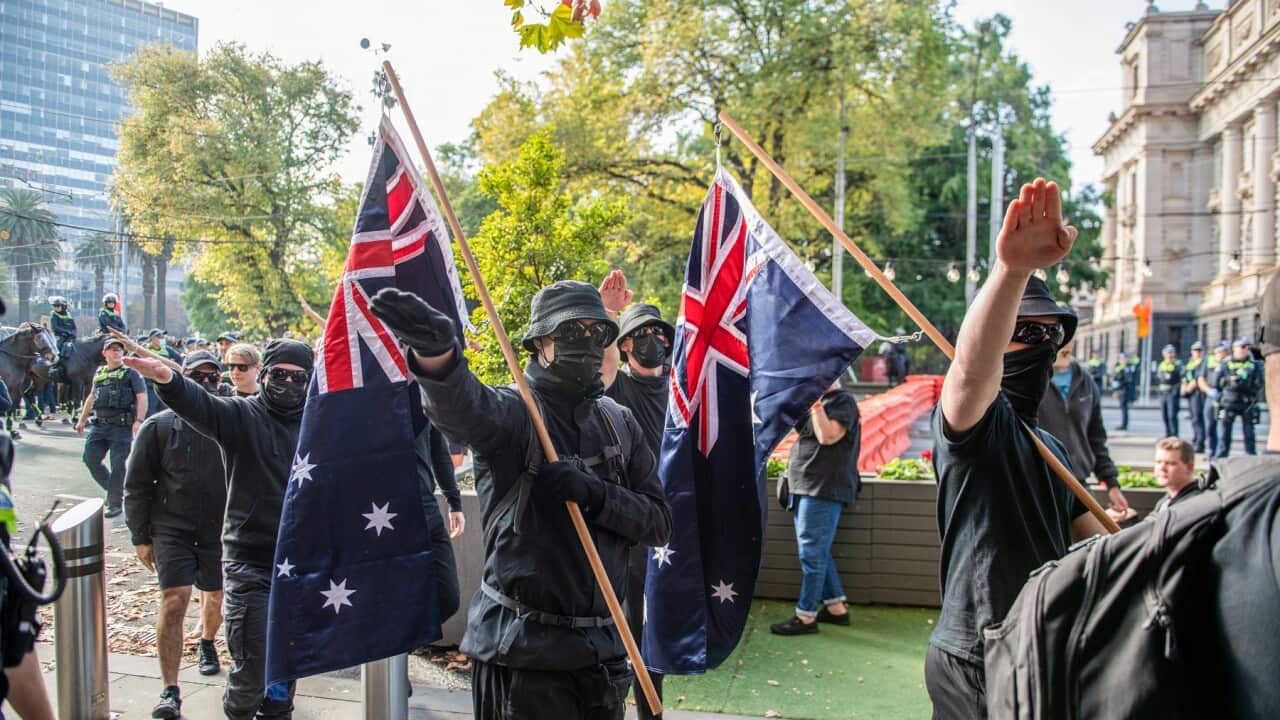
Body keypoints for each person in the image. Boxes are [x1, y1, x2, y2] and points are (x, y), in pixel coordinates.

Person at [367, 281, 672, 720]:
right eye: (571, 333)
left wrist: (597, 495)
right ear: (539, 342)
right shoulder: (513, 414)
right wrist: (439, 359)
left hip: (602, 657)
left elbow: (659, 522)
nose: (586, 345)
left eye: (598, 334)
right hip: (524, 658)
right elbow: (464, 409)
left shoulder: (618, 423)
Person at [926, 179, 1106, 719]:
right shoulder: (976, 428)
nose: (1043, 344)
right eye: (1026, 330)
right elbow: (973, 369)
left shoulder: (1050, 444)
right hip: (979, 655)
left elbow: (1093, 541)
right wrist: (1012, 272)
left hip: (1040, 646)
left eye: (1052, 337)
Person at [123, 339, 314, 720]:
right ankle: (236, 707)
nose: (288, 384)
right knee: (253, 667)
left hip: (297, 564)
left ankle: (277, 709)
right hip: (249, 562)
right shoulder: (240, 416)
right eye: (279, 374)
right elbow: (201, 405)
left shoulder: (318, 425)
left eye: (299, 377)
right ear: (264, 375)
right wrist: (167, 379)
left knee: (283, 673)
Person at [123, 350, 228, 719]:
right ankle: (170, 689)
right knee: (174, 600)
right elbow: (136, 484)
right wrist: (140, 536)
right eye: (198, 375)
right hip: (172, 527)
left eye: (213, 376)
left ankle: (207, 641)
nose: (206, 383)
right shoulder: (159, 426)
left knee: (213, 597)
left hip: (219, 529)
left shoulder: (232, 421)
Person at [599, 273, 673, 720]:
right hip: (624, 526)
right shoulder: (619, 386)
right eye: (640, 335)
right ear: (625, 345)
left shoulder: (680, 389)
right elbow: (600, 369)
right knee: (621, 630)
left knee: (656, 635)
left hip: (668, 529)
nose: (651, 341)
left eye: (657, 334)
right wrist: (609, 313)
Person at [770, 379, 860, 636]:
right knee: (817, 551)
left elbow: (828, 436)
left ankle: (806, 616)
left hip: (823, 489)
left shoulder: (843, 402)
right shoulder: (814, 404)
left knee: (811, 554)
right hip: (806, 487)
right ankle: (836, 609)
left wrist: (817, 401)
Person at [1037, 339, 1131, 516]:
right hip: (1039, 488)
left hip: (1079, 486)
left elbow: (1096, 437)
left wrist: (1111, 484)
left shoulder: (1085, 380)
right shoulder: (1030, 379)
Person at [75, 336, 147, 519]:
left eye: (119, 350)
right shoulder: (100, 373)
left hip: (121, 427)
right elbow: (91, 397)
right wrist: (82, 420)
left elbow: (141, 397)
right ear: (104, 353)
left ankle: (115, 503)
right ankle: (114, 490)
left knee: (117, 466)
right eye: (113, 349)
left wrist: (139, 420)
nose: (117, 352)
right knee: (90, 459)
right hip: (99, 426)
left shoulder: (131, 374)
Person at [1213, 338, 1263, 458]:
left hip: (1246, 402)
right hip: (1228, 402)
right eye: (1241, 347)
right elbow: (1216, 383)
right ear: (1234, 349)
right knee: (1224, 433)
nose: (1243, 350)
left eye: (1246, 347)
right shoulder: (1226, 364)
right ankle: (1221, 458)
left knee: (1249, 432)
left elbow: (1259, 383)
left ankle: (1251, 456)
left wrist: (1248, 389)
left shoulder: (1253, 365)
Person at [1150, 437, 1202, 514]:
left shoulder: (1194, 505)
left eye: (1170, 463)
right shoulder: (1166, 500)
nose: (1162, 468)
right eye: (1158, 462)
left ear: (1189, 467)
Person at [1200, 341, 1230, 457]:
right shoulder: (1208, 361)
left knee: (1221, 426)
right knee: (1209, 426)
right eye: (1218, 351)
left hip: (1222, 400)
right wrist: (1208, 391)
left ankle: (1220, 454)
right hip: (1210, 398)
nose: (1220, 353)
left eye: (1223, 351)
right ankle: (1211, 451)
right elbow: (1201, 379)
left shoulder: (1228, 363)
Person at [1181, 341, 1209, 454]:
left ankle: (1200, 442)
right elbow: (1185, 376)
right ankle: (1196, 439)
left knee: (1198, 418)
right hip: (1191, 394)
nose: (1197, 353)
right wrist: (1184, 387)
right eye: (1195, 350)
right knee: (1194, 418)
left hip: (1199, 393)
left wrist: (1190, 387)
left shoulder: (1203, 363)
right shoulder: (1190, 363)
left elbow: (1198, 378)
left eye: (1199, 350)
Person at [1154, 344, 1183, 439]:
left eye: (1171, 352)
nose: (1169, 355)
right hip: (1163, 393)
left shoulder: (1178, 365)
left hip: (1172, 393)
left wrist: (1177, 390)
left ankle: (1174, 435)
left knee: (1172, 415)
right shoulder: (1162, 365)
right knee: (1164, 415)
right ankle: (1167, 434)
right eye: (1167, 353)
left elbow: (1182, 379)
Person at [1109, 351, 1138, 431]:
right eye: (1121, 359)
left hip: (1124, 391)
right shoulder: (1118, 367)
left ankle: (1124, 425)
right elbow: (1115, 378)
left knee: (1124, 408)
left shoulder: (1128, 368)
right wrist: (1114, 388)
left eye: (1124, 359)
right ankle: (1123, 424)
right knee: (1123, 408)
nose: (1122, 361)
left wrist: (1119, 384)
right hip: (1120, 390)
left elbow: (1127, 380)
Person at [48, 296, 76, 360]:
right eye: (54, 306)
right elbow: (55, 327)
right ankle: (56, 362)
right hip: (59, 336)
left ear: (63, 306)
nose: (55, 307)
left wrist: (74, 333)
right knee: (58, 346)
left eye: (57, 306)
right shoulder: (54, 314)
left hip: (70, 336)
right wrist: (66, 332)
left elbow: (74, 327)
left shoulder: (68, 314)